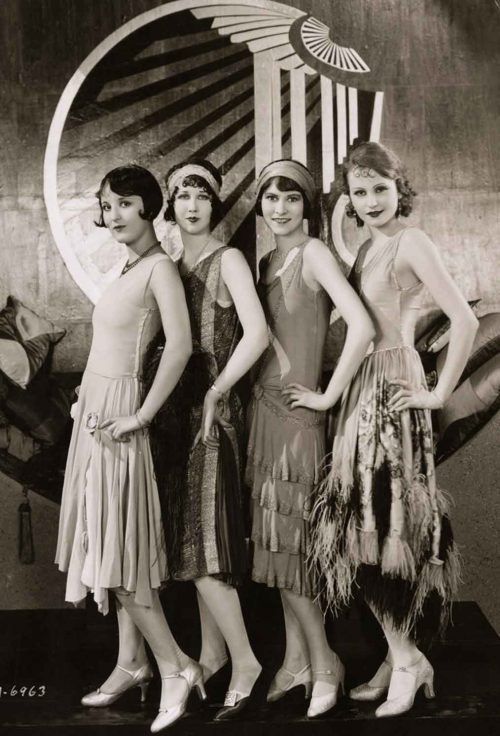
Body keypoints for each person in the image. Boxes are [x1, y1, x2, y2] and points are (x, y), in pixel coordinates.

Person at [306, 141, 478, 717]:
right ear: (348, 200)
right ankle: (398, 656)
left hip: (391, 386)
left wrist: (437, 393)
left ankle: (406, 660)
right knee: (367, 526)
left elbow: (465, 319)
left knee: (387, 522)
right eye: (359, 192)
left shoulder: (412, 242)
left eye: (380, 188)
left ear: (398, 189)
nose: (371, 200)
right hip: (364, 386)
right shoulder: (369, 247)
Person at [55, 164, 200, 734]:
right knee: (107, 543)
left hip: (121, 418)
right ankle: (131, 662)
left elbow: (180, 347)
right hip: (95, 413)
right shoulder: (131, 265)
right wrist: (83, 397)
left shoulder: (160, 267)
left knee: (118, 552)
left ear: (148, 207)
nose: (111, 214)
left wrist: (141, 415)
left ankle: (176, 666)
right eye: (105, 204)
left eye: (122, 203)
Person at [128, 159, 269, 723]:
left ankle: (247, 662)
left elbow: (256, 334)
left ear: (215, 204)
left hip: (215, 414)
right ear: (170, 203)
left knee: (207, 545)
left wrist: (217, 390)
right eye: (183, 195)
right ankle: (212, 656)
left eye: (202, 196)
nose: (192, 205)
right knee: (190, 543)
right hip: (175, 415)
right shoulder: (168, 263)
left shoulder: (227, 259)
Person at [247, 159, 374, 718]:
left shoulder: (315, 253)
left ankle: (326, 662)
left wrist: (326, 396)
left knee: (293, 546)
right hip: (263, 413)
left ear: (307, 206)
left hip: (299, 419)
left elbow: (362, 326)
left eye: (291, 198)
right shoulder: (266, 261)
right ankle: (295, 660)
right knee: (278, 546)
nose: (280, 208)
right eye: (271, 198)